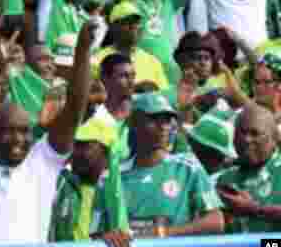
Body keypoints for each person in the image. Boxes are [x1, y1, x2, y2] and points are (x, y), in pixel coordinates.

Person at [0, 18, 96, 246]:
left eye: (24, 131)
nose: (18, 139)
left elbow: (75, 106)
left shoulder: (41, 161)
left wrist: (82, 50)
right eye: (8, 131)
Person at [93, 92, 224, 239]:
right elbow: (96, 233)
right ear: (134, 123)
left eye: (167, 120)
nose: (163, 126)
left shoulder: (188, 167)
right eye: (154, 119)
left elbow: (216, 221)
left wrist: (166, 234)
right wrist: (110, 238)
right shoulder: (110, 177)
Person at [215, 104, 281, 232]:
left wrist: (255, 209)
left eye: (255, 133)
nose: (246, 139)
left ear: (274, 139)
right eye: (242, 132)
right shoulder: (226, 178)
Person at [50, 117, 118, 241]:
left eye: (85, 146)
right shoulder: (59, 184)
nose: (76, 151)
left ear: (106, 154)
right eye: (75, 145)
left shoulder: (113, 195)